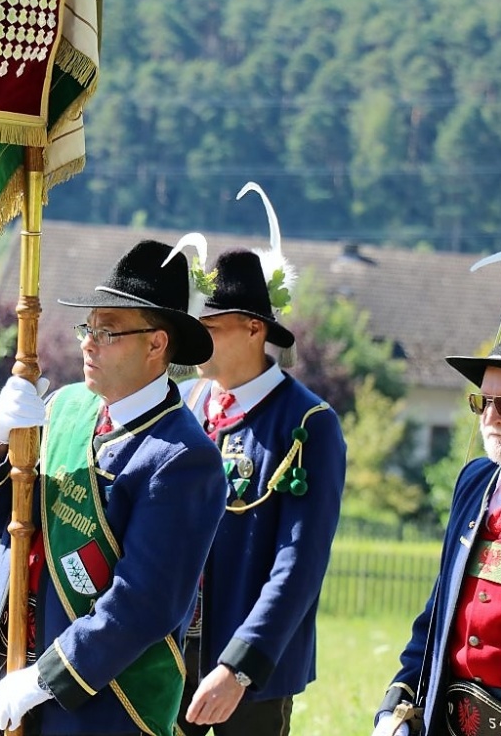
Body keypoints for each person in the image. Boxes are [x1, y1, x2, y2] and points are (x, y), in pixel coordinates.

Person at [0, 239, 228, 736]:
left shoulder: (183, 458)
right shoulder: (64, 407)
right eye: (89, 327)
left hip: (103, 706)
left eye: (108, 332)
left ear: (156, 344)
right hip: (15, 671)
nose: (88, 342)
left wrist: (44, 679)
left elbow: (145, 602)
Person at [371, 303, 501, 736]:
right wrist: (397, 704)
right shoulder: (474, 481)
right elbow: (437, 615)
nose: (490, 418)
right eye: (482, 402)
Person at [175, 248, 346, 736]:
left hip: (253, 667)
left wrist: (240, 666)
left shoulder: (309, 423)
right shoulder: (187, 403)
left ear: (254, 329)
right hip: (170, 649)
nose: (194, 341)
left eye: (209, 330)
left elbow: (299, 564)